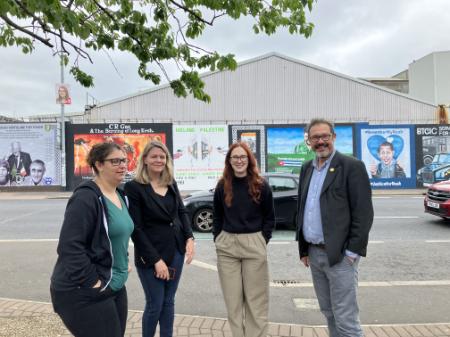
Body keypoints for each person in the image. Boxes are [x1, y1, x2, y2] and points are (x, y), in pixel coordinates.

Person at [297, 118, 374, 337]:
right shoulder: (306, 169)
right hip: (314, 254)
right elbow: (303, 209)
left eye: (325, 136)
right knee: (329, 312)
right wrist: (303, 250)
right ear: (309, 141)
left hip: (340, 256)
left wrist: (352, 253)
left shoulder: (351, 167)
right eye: (315, 137)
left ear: (333, 137)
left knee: (346, 318)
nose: (320, 141)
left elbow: (364, 213)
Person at [50, 142, 134, 337]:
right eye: (115, 161)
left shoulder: (120, 195)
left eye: (124, 160)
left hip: (115, 284)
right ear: (99, 164)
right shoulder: (86, 198)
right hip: (83, 291)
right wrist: (91, 281)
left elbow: (115, 237)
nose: (122, 165)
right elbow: (69, 246)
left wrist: (122, 261)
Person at [124, 141, 195, 337]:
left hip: (176, 251)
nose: (159, 160)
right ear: (145, 159)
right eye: (154, 156)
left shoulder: (170, 182)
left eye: (162, 157)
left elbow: (181, 212)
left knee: (169, 301)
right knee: (155, 304)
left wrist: (189, 237)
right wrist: (156, 261)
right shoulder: (134, 187)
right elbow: (135, 229)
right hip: (151, 256)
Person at [213, 142, 275, 337]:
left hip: (254, 243)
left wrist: (262, 239)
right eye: (235, 157)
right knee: (233, 302)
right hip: (227, 245)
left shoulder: (261, 185)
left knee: (256, 301)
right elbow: (217, 215)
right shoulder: (222, 185)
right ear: (229, 161)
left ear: (249, 160)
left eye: (243, 157)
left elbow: (269, 217)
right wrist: (218, 237)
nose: (239, 161)